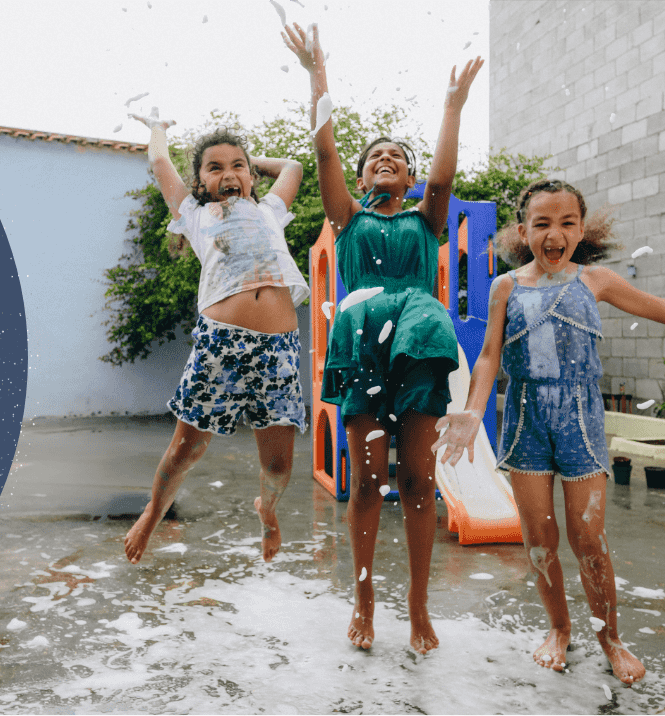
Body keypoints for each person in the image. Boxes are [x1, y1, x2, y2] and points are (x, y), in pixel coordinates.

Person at [433, 178, 665, 684]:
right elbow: (487, 357)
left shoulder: (595, 281)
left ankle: (610, 638)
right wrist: (471, 409)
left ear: (581, 229)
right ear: (523, 231)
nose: (555, 234)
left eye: (566, 223)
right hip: (527, 420)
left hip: (580, 420)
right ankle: (558, 629)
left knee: (588, 537)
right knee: (539, 540)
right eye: (542, 223)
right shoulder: (506, 287)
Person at [283, 22, 483, 655]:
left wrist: (452, 107)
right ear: (365, 174)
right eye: (374, 156)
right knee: (368, 483)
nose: (385, 159)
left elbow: (445, 176)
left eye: (397, 155)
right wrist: (317, 73)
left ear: (411, 173)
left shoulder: (428, 220)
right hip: (362, 341)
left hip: (419, 345)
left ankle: (418, 607)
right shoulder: (348, 220)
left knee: (420, 483)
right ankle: (365, 602)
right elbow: (324, 155)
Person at [122, 110, 308, 565]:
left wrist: (248, 160)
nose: (228, 174)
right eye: (215, 167)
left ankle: (268, 510)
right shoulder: (194, 214)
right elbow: (160, 164)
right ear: (201, 182)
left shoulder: (269, 211)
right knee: (186, 449)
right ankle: (152, 513)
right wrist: (159, 129)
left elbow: (293, 168)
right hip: (220, 343)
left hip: (278, 349)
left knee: (279, 465)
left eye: (237, 166)